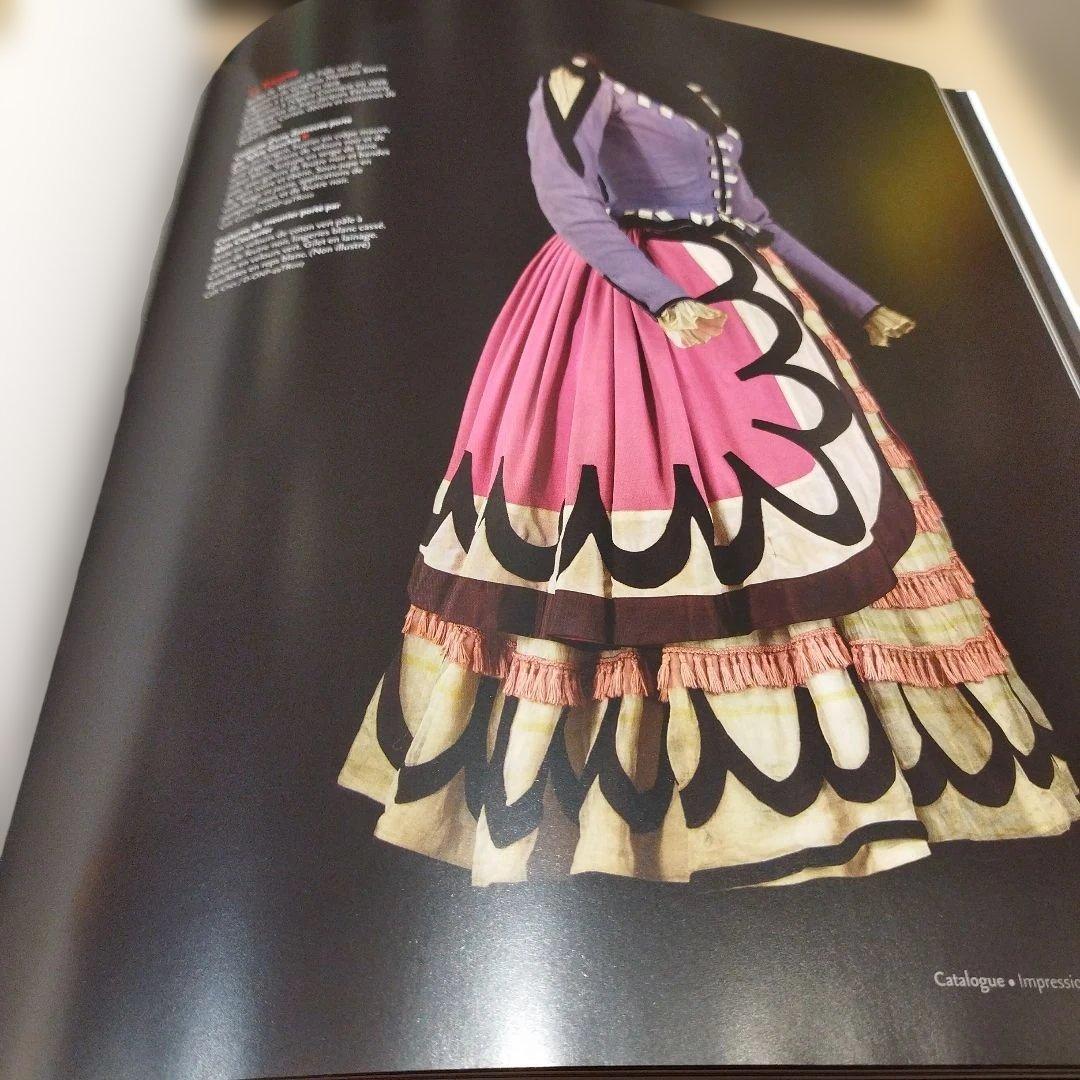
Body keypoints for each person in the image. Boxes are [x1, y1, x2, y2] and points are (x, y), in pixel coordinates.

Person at [338, 55, 1078, 886]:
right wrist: (660, 297)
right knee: (651, 523)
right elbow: (569, 198)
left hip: (745, 304)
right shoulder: (580, 81)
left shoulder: (694, 92)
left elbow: (756, 221)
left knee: (808, 519)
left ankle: (846, 788)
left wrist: (860, 301)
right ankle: (645, 814)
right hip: (629, 304)